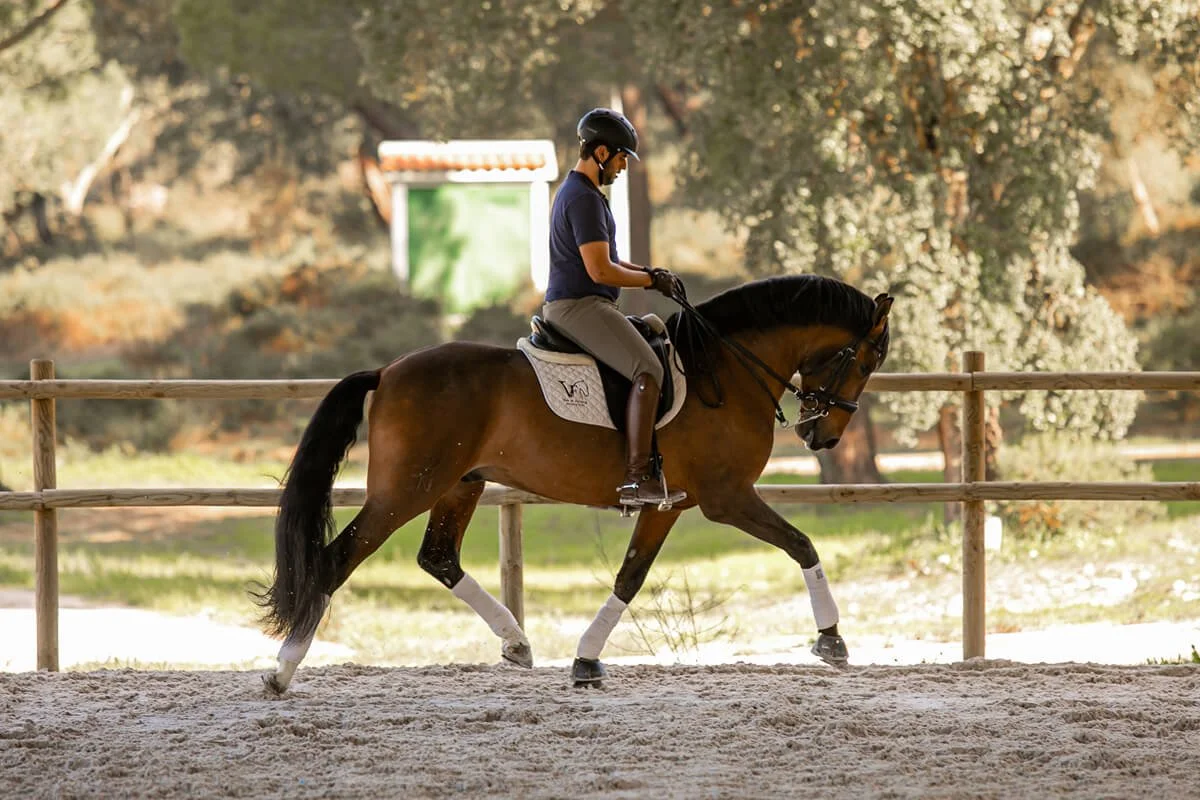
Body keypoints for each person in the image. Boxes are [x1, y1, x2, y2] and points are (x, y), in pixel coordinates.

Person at [543, 107, 687, 508]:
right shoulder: (584, 200)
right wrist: (649, 282)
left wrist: (650, 273)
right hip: (579, 306)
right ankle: (636, 479)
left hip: (583, 303)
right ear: (602, 153)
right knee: (649, 368)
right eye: (622, 157)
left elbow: (614, 260)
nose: (624, 166)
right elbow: (600, 270)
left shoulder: (584, 194)